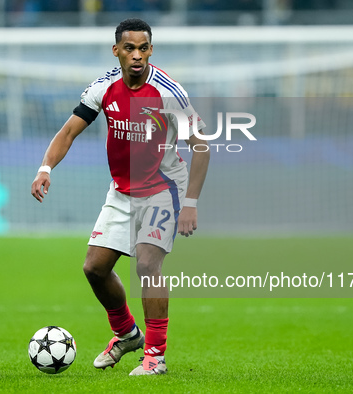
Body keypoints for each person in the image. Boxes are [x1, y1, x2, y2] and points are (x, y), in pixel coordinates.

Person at [31, 18, 209, 376]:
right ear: (117, 51)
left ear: (151, 51)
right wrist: (45, 168)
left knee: (146, 264)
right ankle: (127, 334)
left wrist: (190, 203)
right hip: (122, 191)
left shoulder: (168, 92)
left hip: (163, 189)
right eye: (130, 48)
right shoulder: (104, 87)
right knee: (94, 268)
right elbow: (69, 131)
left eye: (144, 48)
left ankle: (155, 355)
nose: (137, 55)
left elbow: (201, 146)